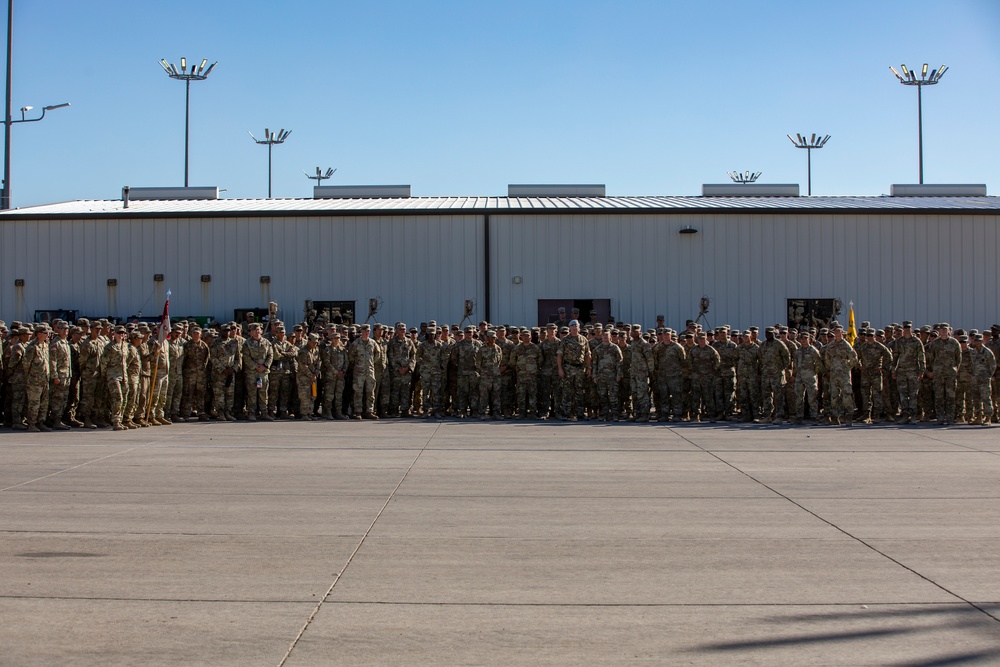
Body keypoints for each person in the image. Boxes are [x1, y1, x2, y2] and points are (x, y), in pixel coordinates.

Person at [347, 324, 379, 419]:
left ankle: (369, 411)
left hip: (369, 371)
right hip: (359, 372)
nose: (367, 332)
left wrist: (371, 362)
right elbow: (351, 357)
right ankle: (358, 412)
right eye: (365, 331)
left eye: (368, 331)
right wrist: (358, 364)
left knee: (370, 392)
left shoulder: (373, 343)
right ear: (361, 331)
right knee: (358, 392)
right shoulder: (356, 343)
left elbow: (378, 354)